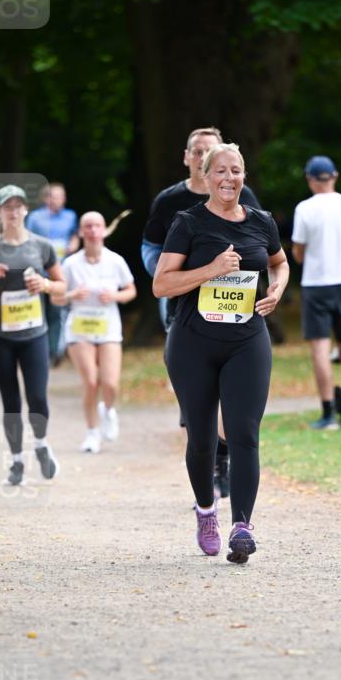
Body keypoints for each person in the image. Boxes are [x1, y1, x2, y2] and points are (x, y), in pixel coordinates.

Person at [154, 143, 289, 563]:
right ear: (207, 176)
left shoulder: (262, 222)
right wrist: (211, 270)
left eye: (236, 171)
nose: (229, 179)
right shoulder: (188, 222)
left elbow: (280, 263)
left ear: (244, 175)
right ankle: (207, 511)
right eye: (221, 172)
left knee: (245, 433)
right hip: (193, 341)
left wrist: (278, 288)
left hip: (247, 339)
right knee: (202, 439)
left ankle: (242, 527)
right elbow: (162, 284)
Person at [142, 126, 261, 498]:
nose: (203, 157)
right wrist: (169, 273)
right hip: (183, 305)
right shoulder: (170, 202)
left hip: (236, 310)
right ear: (191, 159)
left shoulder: (248, 198)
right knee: (197, 394)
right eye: (197, 152)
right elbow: (151, 248)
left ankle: (222, 455)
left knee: (236, 400)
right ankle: (201, 442)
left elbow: (263, 245)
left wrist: (267, 285)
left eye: (210, 151)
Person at [0, 185, 65, 485]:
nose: (13, 212)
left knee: (37, 398)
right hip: (0, 337)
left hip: (34, 333)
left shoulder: (42, 246)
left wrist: (45, 286)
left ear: (26, 210)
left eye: (18, 206)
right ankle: (15, 462)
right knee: (11, 402)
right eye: (7, 207)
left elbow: (62, 287)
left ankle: (40, 444)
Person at [291, 155, 341, 431]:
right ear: (334, 176)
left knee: (321, 349)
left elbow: (298, 252)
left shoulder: (305, 209)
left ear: (311, 180)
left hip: (316, 283)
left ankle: (327, 414)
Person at [54, 211, 137, 453]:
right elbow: (56, 299)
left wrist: (115, 296)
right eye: (87, 226)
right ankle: (92, 433)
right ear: (80, 232)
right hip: (79, 328)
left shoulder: (115, 261)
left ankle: (108, 410)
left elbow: (131, 290)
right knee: (90, 382)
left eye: (97, 226)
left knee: (110, 383)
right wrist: (71, 295)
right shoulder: (70, 264)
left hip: (109, 327)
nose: (92, 230)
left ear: (104, 230)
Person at [26, 183, 79, 364]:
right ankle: (39, 351)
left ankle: (54, 352)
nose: (57, 200)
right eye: (54, 196)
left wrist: (74, 242)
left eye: (61, 196)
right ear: (46, 198)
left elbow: (75, 235)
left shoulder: (70, 216)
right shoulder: (34, 218)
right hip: (39, 272)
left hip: (62, 273)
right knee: (39, 313)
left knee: (57, 312)